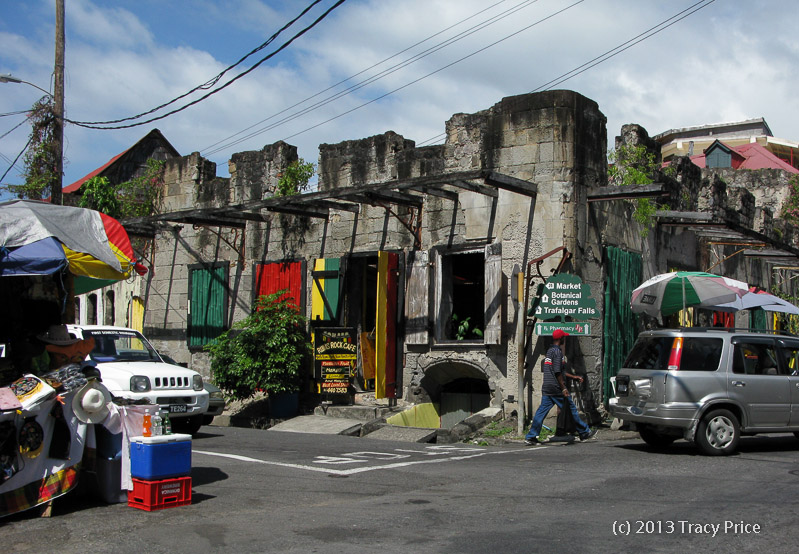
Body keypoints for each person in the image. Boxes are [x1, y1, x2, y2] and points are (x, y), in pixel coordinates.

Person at [525, 329, 597, 444]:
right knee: (571, 408)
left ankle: (531, 436)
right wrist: (563, 388)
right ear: (560, 338)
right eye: (564, 337)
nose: (564, 338)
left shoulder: (550, 351)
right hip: (556, 388)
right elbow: (557, 372)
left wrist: (573, 377)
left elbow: (558, 370)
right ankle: (584, 432)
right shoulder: (558, 353)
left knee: (541, 412)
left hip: (547, 386)